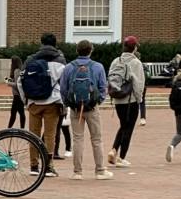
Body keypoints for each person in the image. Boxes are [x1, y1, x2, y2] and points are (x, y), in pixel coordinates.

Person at [59, 40, 112, 179]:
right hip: (92, 107)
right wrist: (97, 101)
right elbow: (102, 87)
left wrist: (68, 103)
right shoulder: (98, 67)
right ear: (91, 50)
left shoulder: (69, 67)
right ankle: (100, 170)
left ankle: (77, 172)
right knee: (96, 139)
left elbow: (63, 89)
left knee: (77, 139)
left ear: (77, 51)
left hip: (76, 108)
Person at [17, 34, 67, 174]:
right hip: (53, 102)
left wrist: (25, 100)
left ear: (41, 43)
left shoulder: (31, 59)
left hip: (34, 102)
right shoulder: (61, 61)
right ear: (55, 44)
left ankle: (34, 166)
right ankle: (48, 166)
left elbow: (20, 81)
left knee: (34, 134)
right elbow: (64, 85)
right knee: (50, 135)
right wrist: (63, 102)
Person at [107, 36, 146, 167]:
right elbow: (139, 83)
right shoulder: (136, 63)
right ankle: (122, 157)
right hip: (131, 100)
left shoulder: (115, 61)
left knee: (123, 125)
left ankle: (114, 149)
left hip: (118, 99)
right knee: (128, 128)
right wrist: (139, 99)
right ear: (134, 48)